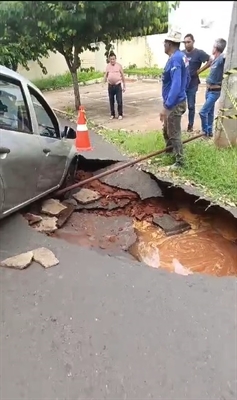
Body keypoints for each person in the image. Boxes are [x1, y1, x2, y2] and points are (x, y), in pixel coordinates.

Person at [160, 29, 190, 168]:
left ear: (170, 44)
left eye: (165, 42)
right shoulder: (179, 56)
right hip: (175, 100)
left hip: (174, 103)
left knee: (173, 132)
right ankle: (169, 153)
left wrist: (167, 106)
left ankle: (180, 162)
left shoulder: (177, 59)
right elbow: (187, 78)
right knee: (167, 129)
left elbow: (177, 83)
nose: (163, 44)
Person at [183, 34, 211, 132]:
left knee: (191, 105)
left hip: (192, 84)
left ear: (193, 41)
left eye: (188, 42)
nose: (186, 44)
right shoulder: (182, 53)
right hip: (182, 84)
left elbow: (210, 60)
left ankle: (190, 125)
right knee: (179, 106)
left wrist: (199, 71)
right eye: (185, 42)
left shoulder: (199, 53)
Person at [199, 38, 226, 138]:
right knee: (210, 112)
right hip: (208, 90)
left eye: (213, 46)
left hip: (215, 91)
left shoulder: (221, 59)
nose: (212, 48)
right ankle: (209, 132)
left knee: (202, 112)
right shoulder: (214, 59)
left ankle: (205, 132)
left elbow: (226, 57)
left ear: (217, 48)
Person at [104, 52, 126, 120]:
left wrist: (124, 85)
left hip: (118, 85)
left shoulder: (119, 66)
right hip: (110, 86)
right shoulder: (108, 66)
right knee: (111, 101)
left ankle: (120, 114)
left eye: (113, 59)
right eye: (111, 59)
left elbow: (122, 75)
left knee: (119, 101)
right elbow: (106, 75)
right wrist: (103, 82)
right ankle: (112, 114)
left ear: (115, 59)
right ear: (109, 59)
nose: (112, 61)